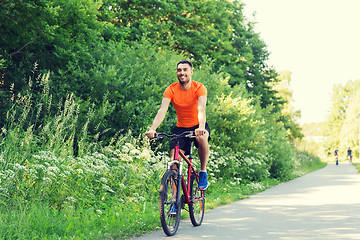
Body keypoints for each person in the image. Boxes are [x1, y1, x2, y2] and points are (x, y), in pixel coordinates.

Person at [146, 60, 210, 191]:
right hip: (181, 129)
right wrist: (153, 128)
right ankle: (175, 201)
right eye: (179, 70)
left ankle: (203, 172)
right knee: (173, 164)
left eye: (185, 70)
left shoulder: (199, 88)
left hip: (198, 125)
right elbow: (162, 110)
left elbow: (201, 109)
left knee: (202, 138)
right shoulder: (171, 89)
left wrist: (201, 127)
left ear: (191, 72)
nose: (182, 73)